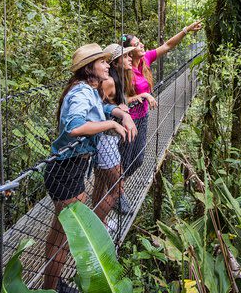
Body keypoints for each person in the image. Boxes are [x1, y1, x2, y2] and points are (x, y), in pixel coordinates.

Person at [42, 44, 137, 291]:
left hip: (70, 168)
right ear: (89, 68)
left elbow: (101, 108)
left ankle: (52, 284)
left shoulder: (89, 90)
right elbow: (74, 127)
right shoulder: (81, 93)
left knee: (60, 234)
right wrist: (111, 125)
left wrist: (119, 113)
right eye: (102, 62)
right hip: (66, 171)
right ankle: (52, 287)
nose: (108, 65)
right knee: (62, 238)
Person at [119, 20, 202, 186]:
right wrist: (142, 95)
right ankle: (117, 191)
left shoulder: (145, 61)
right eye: (137, 44)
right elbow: (117, 100)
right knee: (124, 160)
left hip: (143, 117)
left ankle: (118, 187)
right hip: (128, 120)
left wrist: (186, 29)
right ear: (129, 51)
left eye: (140, 41)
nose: (141, 45)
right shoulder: (124, 69)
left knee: (138, 160)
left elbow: (168, 45)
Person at [92, 43, 135, 219]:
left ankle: (98, 222)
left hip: (107, 137)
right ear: (115, 62)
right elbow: (98, 106)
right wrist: (118, 108)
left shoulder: (117, 78)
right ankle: (94, 227)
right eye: (125, 56)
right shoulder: (109, 81)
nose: (129, 58)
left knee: (100, 183)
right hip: (106, 138)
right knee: (117, 189)